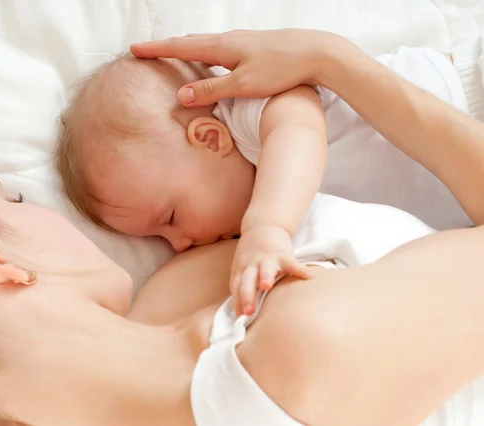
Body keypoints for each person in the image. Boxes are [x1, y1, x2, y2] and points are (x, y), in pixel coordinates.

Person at [0, 30, 484, 426]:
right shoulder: (301, 355)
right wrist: (333, 60)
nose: (40, 208)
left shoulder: (172, 298)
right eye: (11, 198)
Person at [56, 41, 475, 315]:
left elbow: (300, 135)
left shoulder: (254, 113)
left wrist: (267, 227)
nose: (179, 244)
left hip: (468, 95)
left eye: (170, 218)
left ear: (209, 138)